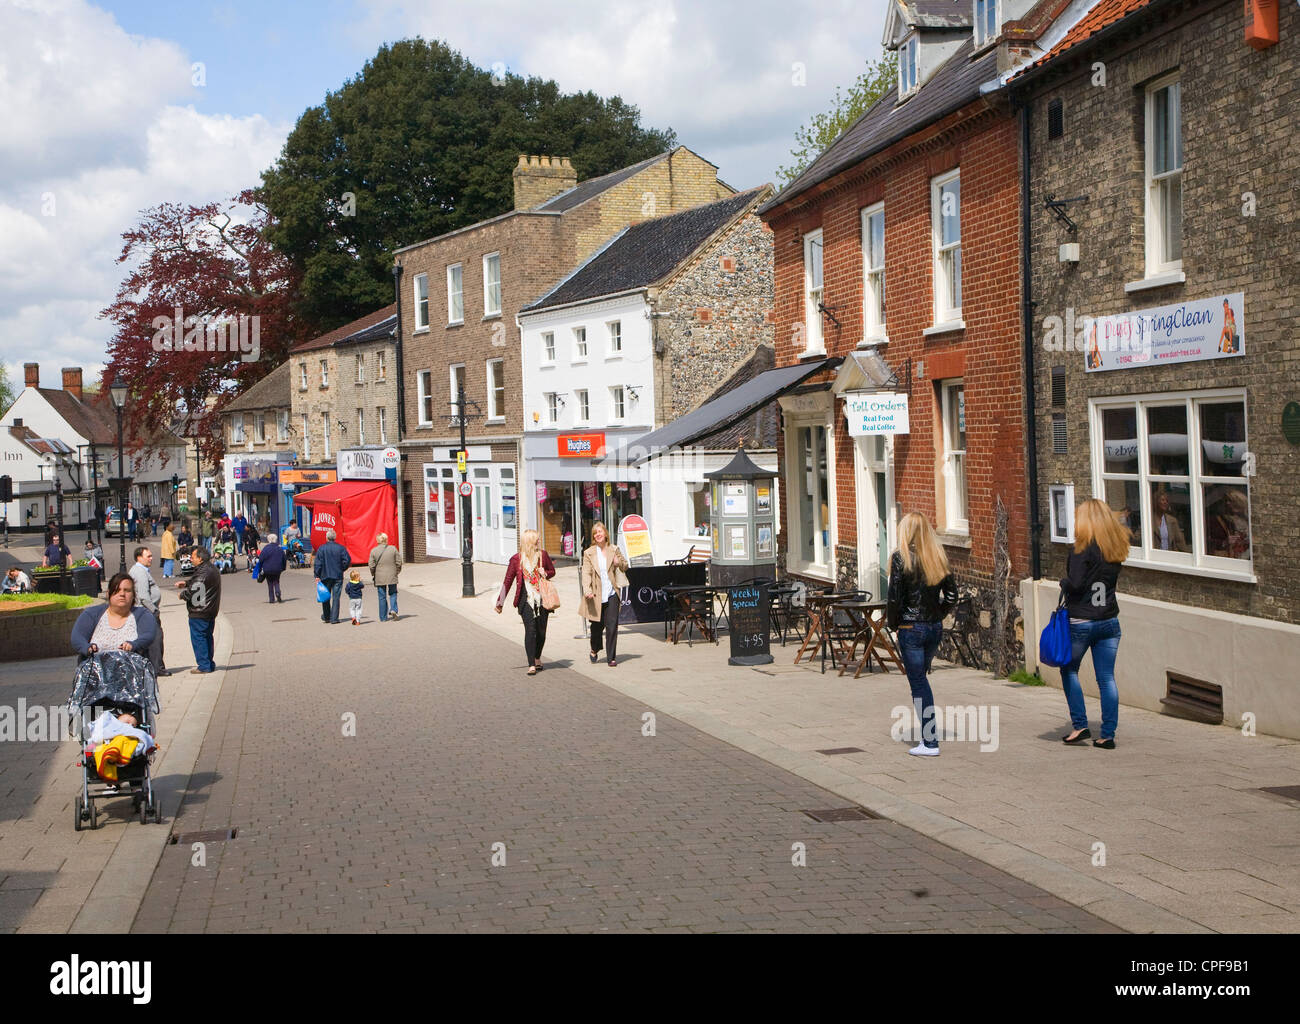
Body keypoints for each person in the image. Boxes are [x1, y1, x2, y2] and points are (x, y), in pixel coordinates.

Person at [1059, 498, 1129, 749]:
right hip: (1109, 621)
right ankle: (1108, 734)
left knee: (1069, 670)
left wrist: (1063, 583)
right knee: (1106, 678)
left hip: (1082, 622)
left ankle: (1080, 725)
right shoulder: (1114, 550)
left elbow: (1075, 584)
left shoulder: (1081, 550)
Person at [886, 513, 958, 757]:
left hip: (911, 627)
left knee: (919, 683)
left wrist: (893, 625)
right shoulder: (937, 556)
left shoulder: (900, 558)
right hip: (933, 628)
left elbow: (895, 597)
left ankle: (929, 742)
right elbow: (951, 596)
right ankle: (929, 738)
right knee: (921, 678)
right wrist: (937, 614)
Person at [496, 529, 556, 675]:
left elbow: (552, 571)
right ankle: (531, 664)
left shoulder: (543, 555)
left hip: (542, 598)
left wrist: (545, 573)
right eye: (536, 539)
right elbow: (508, 581)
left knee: (541, 632)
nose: (539, 542)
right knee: (531, 630)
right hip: (525, 599)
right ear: (530, 541)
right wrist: (500, 602)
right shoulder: (516, 559)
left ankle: (537, 657)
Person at [71, 572, 157, 663]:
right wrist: (87, 648)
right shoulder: (91, 613)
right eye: (117, 590)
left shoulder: (142, 614)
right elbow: (77, 637)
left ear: (133, 595)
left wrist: (134, 644)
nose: (122, 594)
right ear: (108, 593)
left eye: (127, 590)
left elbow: (148, 635)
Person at [580, 522, 628, 668]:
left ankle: (611, 657)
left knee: (612, 625)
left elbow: (625, 566)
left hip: (612, 592)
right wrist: (587, 590)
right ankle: (594, 648)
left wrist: (618, 562)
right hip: (596, 594)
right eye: (595, 533)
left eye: (600, 532)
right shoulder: (589, 553)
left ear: (605, 533)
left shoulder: (614, 549)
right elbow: (586, 573)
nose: (598, 535)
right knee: (596, 627)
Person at [175, 545, 221, 674]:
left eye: (193, 557)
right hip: (210, 609)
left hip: (200, 610)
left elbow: (195, 589)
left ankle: (204, 665)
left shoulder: (203, 571)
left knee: (199, 638)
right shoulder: (211, 569)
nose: (191, 559)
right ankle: (208, 663)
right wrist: (187, 583)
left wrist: (182, 595)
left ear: (200, 558)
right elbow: (198, 582)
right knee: (207, 637)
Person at [129, 545, 169, 677]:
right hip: (146, 611)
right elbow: (144, 596)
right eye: (148, 556)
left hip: (144, 611)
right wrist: (154, 610)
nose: (151, 558)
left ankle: (151, 667)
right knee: (156, 639)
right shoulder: (139, 572)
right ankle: (157, 668)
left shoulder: (141, 570)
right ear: (139, 558)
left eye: (151, 556)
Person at [312, 528, 351, 624]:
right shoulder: (341, 548)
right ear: (335, 538)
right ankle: (334, 618)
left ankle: (327, 616)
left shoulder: (321, 548)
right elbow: (347, 560)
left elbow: (318, 563)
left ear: (326, 538)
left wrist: (317, 574)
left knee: (325, 596)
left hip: (325, 575)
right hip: (337, 575)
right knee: (336, 597)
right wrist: (342, 568)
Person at [367, 532, 403, 622]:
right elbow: (399, 562)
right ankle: (394, 609)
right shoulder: (393, 549)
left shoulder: (374, 551)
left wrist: (373, 573)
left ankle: (383, 617)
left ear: (377, 540)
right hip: (392, 575)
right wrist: (397, 571)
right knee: (393, 593)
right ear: (386, 539)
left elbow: (371, 565)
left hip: (379, 576)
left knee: (382, 596)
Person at [257, 532, 286, 603]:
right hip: (277, 568)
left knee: (270, 583)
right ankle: (278, 592)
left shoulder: (265, 549)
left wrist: (259, 569)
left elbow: (261, 560)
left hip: (267, 568)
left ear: (269, 540)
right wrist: (283, 568)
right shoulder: (280, 549)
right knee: (276, 581)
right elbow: (284, 559)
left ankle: (271, 599)